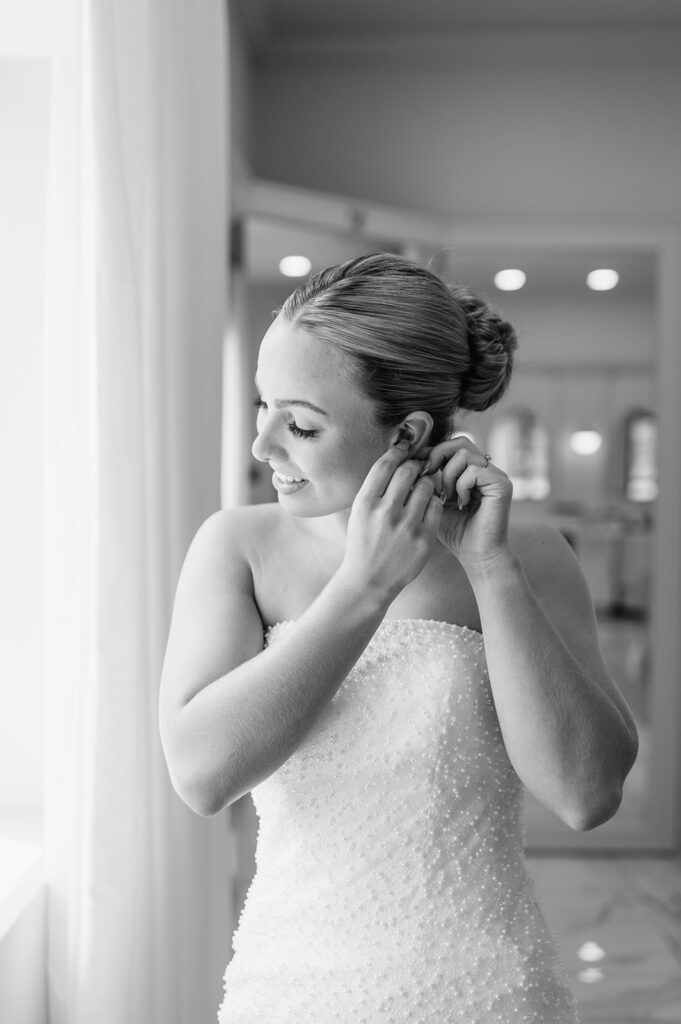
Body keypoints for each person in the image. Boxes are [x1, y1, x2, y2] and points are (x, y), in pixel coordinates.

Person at [159, 253, 638, 1023]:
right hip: (291, 985)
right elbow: (202, 776)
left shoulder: (531, 553)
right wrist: (364, 585)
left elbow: (585, 795)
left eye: (302, 424)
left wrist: (490, 568)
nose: (262, 447)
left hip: (488, 990)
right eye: (262, 407)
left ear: (406, 432)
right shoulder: (237, 548)